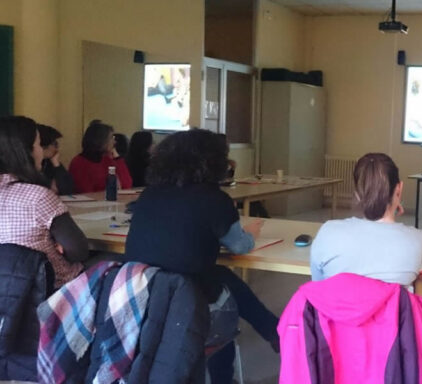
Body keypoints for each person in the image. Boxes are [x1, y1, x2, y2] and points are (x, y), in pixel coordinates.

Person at [122, 129, 279, 382]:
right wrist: (250, 233)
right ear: (214, 162)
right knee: (219, 301)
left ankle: (273, 331)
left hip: (141, 299)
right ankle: (254, 350)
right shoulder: (216, 200)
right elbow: (239, 246)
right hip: (189, 301)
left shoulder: (149, 195)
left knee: (221, 277)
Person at [311, 153, 422, 285]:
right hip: (390, 307)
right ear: (399, 189)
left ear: (357, 193)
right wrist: (392, 205)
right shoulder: (418, 239)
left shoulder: (328, 232)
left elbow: (318, 286)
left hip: (335, 306)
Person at [0, 116, 90, 288]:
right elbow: (79, 251)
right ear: (26, 151)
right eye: (39, 144)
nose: (41, 151)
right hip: (53, 292)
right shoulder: (38, 197)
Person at [69, 120, 132, 193]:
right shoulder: (79, 163)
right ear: (101, 140)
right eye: (111, 138)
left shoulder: (107, 160)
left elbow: (126, 185)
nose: (114, 142)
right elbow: (85, 191)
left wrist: (117, 158)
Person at [37, 124, 75, 195]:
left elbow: (68, 190)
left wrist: (57, 164)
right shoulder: (28, 166)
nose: (57, 148)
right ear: (43, 146)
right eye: (55, 144)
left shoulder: (49, 162)